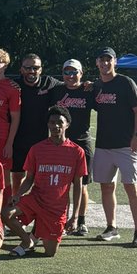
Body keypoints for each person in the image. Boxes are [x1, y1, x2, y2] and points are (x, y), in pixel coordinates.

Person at [4, 107, 87, 258]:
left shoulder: (77, 152)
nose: (56, 126)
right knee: (6, 213)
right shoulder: (37, 149)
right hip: (36, 199)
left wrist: (75, 216)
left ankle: (35, 235)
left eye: (60, 122)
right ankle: (27, 242)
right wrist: (18, 195)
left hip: (56, 208)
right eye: (52, 122)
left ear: (67, 124)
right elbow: (29, 179)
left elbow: (78, 186)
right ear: (47, 125)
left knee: (50, 252)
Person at [91, 47, 137, 248]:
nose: (105, 63)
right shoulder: (96, 86)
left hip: (125, 145)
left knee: (132, 187)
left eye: (109, 59)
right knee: (106, 186)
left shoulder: (125, 83)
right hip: (104, 144)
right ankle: (111, 226)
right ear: (97, 62)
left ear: (115, 62)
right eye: (102, 60)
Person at [48, 59, 95, 235]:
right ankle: (61, 218)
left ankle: (81, 221)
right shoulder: (57, 90)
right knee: (61, 184)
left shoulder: (88, 90)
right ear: (62, 74)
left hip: (82, 142)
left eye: (74, 72)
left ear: (81, 74)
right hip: (61, 143)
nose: (71, 76)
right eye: (67, 72)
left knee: (82, 185)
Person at [9, 53, 60, 195]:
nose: (32, 71)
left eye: (35, 68)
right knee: (17, 175)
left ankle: (37, 208)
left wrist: (87, 84)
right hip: (18, 139)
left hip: (40, 140)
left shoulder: (49, 82)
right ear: (21, 69)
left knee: (40, 177)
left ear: (41, 69)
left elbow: (71, 85)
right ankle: (15, 204)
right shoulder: (13, 84)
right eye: (28, 68)